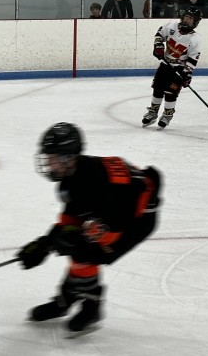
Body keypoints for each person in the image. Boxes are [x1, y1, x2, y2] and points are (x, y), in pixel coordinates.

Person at [16, 122, 161, 334]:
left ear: (68, 157)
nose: (47, 162)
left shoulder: (99, 183)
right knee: (78, 244)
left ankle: (89, 305)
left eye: (52, 157)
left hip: (137, 219)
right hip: (112, 212)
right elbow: (70, 220)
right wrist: (44, 244)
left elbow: (113, 226)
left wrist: (70, 243)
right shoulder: (71, 180)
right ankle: (69, 299)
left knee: (86, 251)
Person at [141, 6, 202, 129]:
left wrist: (187, 74)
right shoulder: (171, 26)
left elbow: (193, 59)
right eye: (186, 16)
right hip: (165, 64)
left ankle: (167, 115)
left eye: (190, 18)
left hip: (179, 68)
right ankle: (153, 112)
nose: (187, 19)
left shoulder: (195, 39)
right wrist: (158, 46)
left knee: (171, 93)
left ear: (195, 22)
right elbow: (159, 34)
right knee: (158, 89)